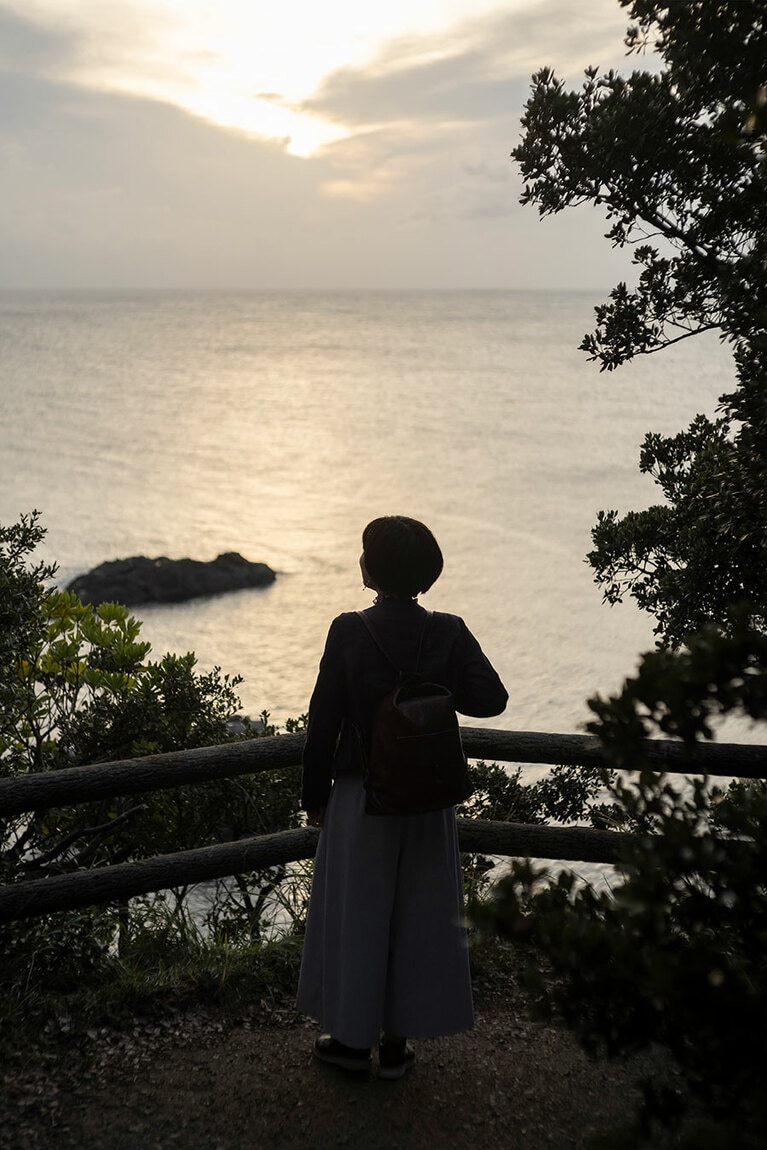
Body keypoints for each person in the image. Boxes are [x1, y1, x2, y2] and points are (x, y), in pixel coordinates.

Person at [296, 515, 508, 1078]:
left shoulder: (349, 630)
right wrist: (431, 691)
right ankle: (395, 1047)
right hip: (429, 798)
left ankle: (349, 1043)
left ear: (374, 568)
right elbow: (491, 699)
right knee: (418, 916)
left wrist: (313, 797)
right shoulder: (449, 630)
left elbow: (324, 723)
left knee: (362, 916)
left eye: (364, 552)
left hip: (363, 796)